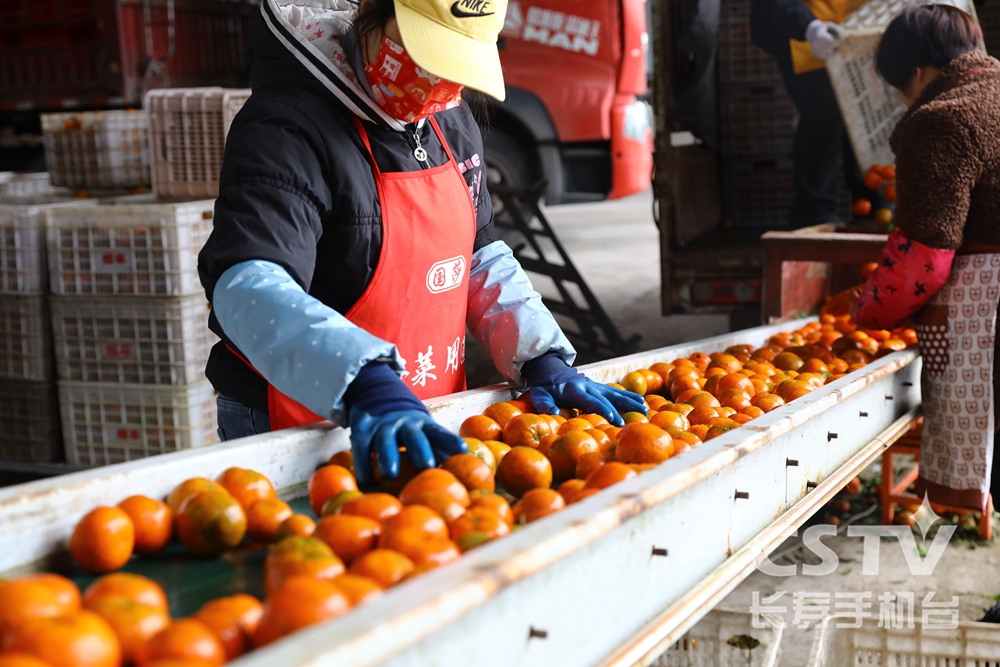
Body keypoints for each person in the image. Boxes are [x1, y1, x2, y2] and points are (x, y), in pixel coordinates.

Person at [197, 0, 645, 487]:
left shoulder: (450, 122)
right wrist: (365, 380)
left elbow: (478, 259)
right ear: (374, 11)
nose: (436, 85)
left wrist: (541, 355)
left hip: (423, 409)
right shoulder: (287, 125)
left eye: (455, 67)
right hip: (297, 421)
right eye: (423, 55)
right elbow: (247, 285)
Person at [852, 5, 1000, 607]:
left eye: (899, 86)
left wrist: (866, 312)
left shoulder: (941, 118)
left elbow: (924, 256)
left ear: (916, 71)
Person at [750, 0, 878, 226]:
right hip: (808, 32)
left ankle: (874, 204)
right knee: (823, 111)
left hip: (865, 33)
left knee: (866, 116)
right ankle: (815, 213)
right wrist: (809, 27)